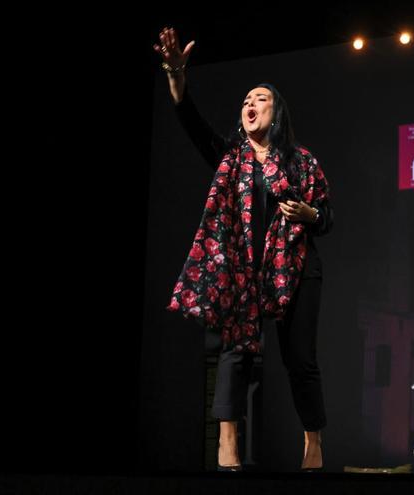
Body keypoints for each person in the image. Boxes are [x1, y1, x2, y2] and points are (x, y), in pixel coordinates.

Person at [156, 27, 333, 471]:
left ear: (277, 112)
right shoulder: (229, 157)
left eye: (261, 98)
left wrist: (310, 216)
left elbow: (327, 217)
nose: (250, 104)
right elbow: (190, 119)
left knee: (300, 361)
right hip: (239, 268)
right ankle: (227, 444)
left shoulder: (301, 161)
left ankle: (313, 441)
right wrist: (177, 75)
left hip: (296, 267)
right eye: (246, 101)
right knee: (234, 353)